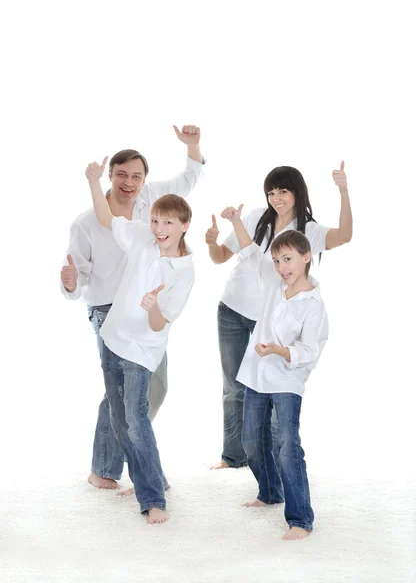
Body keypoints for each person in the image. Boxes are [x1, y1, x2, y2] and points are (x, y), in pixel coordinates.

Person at [61, 125, 204, 490]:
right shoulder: (86, 222)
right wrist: (70, 282)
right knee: (121, 395)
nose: (129, 182)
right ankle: (107, 471)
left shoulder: (152, 203)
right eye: (122, 174)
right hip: (108, 309)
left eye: (136, 176)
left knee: (155, 388)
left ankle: (133, 452)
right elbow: (77, 281)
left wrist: (192, 146)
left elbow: (187, 181)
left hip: (146, 309)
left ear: (144, 180)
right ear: (110, 176)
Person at [206, 163, 351, 471]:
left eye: (283, 191)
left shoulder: (308, 231)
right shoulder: (255, 217)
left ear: (297, 192)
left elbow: (345, 235)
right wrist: (210, 242)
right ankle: (233, 457)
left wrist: (343, 190)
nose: (276, 198)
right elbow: (221, 257)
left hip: (271, 320)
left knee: (271, 389)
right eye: (271, 192)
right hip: (232, 310)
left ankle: (270, 463)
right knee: (234, 387)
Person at [86, 153, 195, 524]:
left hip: (140, 351)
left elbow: (157, 324)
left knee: (136, 419)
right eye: (154, 220)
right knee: (119, 421)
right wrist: (93, 180)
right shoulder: (142, 239)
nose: (159, 228)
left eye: (167, 222)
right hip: (112, 338)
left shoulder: (183, 270)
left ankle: (152, 499)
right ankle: (155, 478)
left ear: (184, 226)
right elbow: (105, 218)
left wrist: (152, 305)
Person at [221, 209, 328, 539]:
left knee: (286, 445)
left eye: (289, 259)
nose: (282, 268)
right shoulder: (273, 281)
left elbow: (309, 353)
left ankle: (300, 518)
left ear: (307, 256)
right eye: (278, 261)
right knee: (252, 440)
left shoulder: (313, 305)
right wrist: (235, 221)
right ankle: (269, 492)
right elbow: (251, 253)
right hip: (256, 375)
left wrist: (281, 351)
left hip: (286, 381)